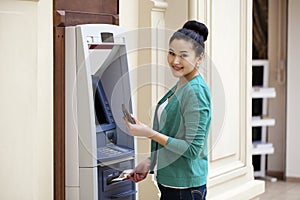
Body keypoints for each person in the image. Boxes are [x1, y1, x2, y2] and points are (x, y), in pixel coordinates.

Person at [123, 20, 211, 200]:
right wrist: (150, 162)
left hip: (185, 189)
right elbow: (173, 135)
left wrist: (148, 133)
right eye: (171, 53)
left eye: (183, 56)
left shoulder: (196, 91)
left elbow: (192, 149)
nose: (175, 61)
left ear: (199, 57)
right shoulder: (181, 84)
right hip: (171, 185)